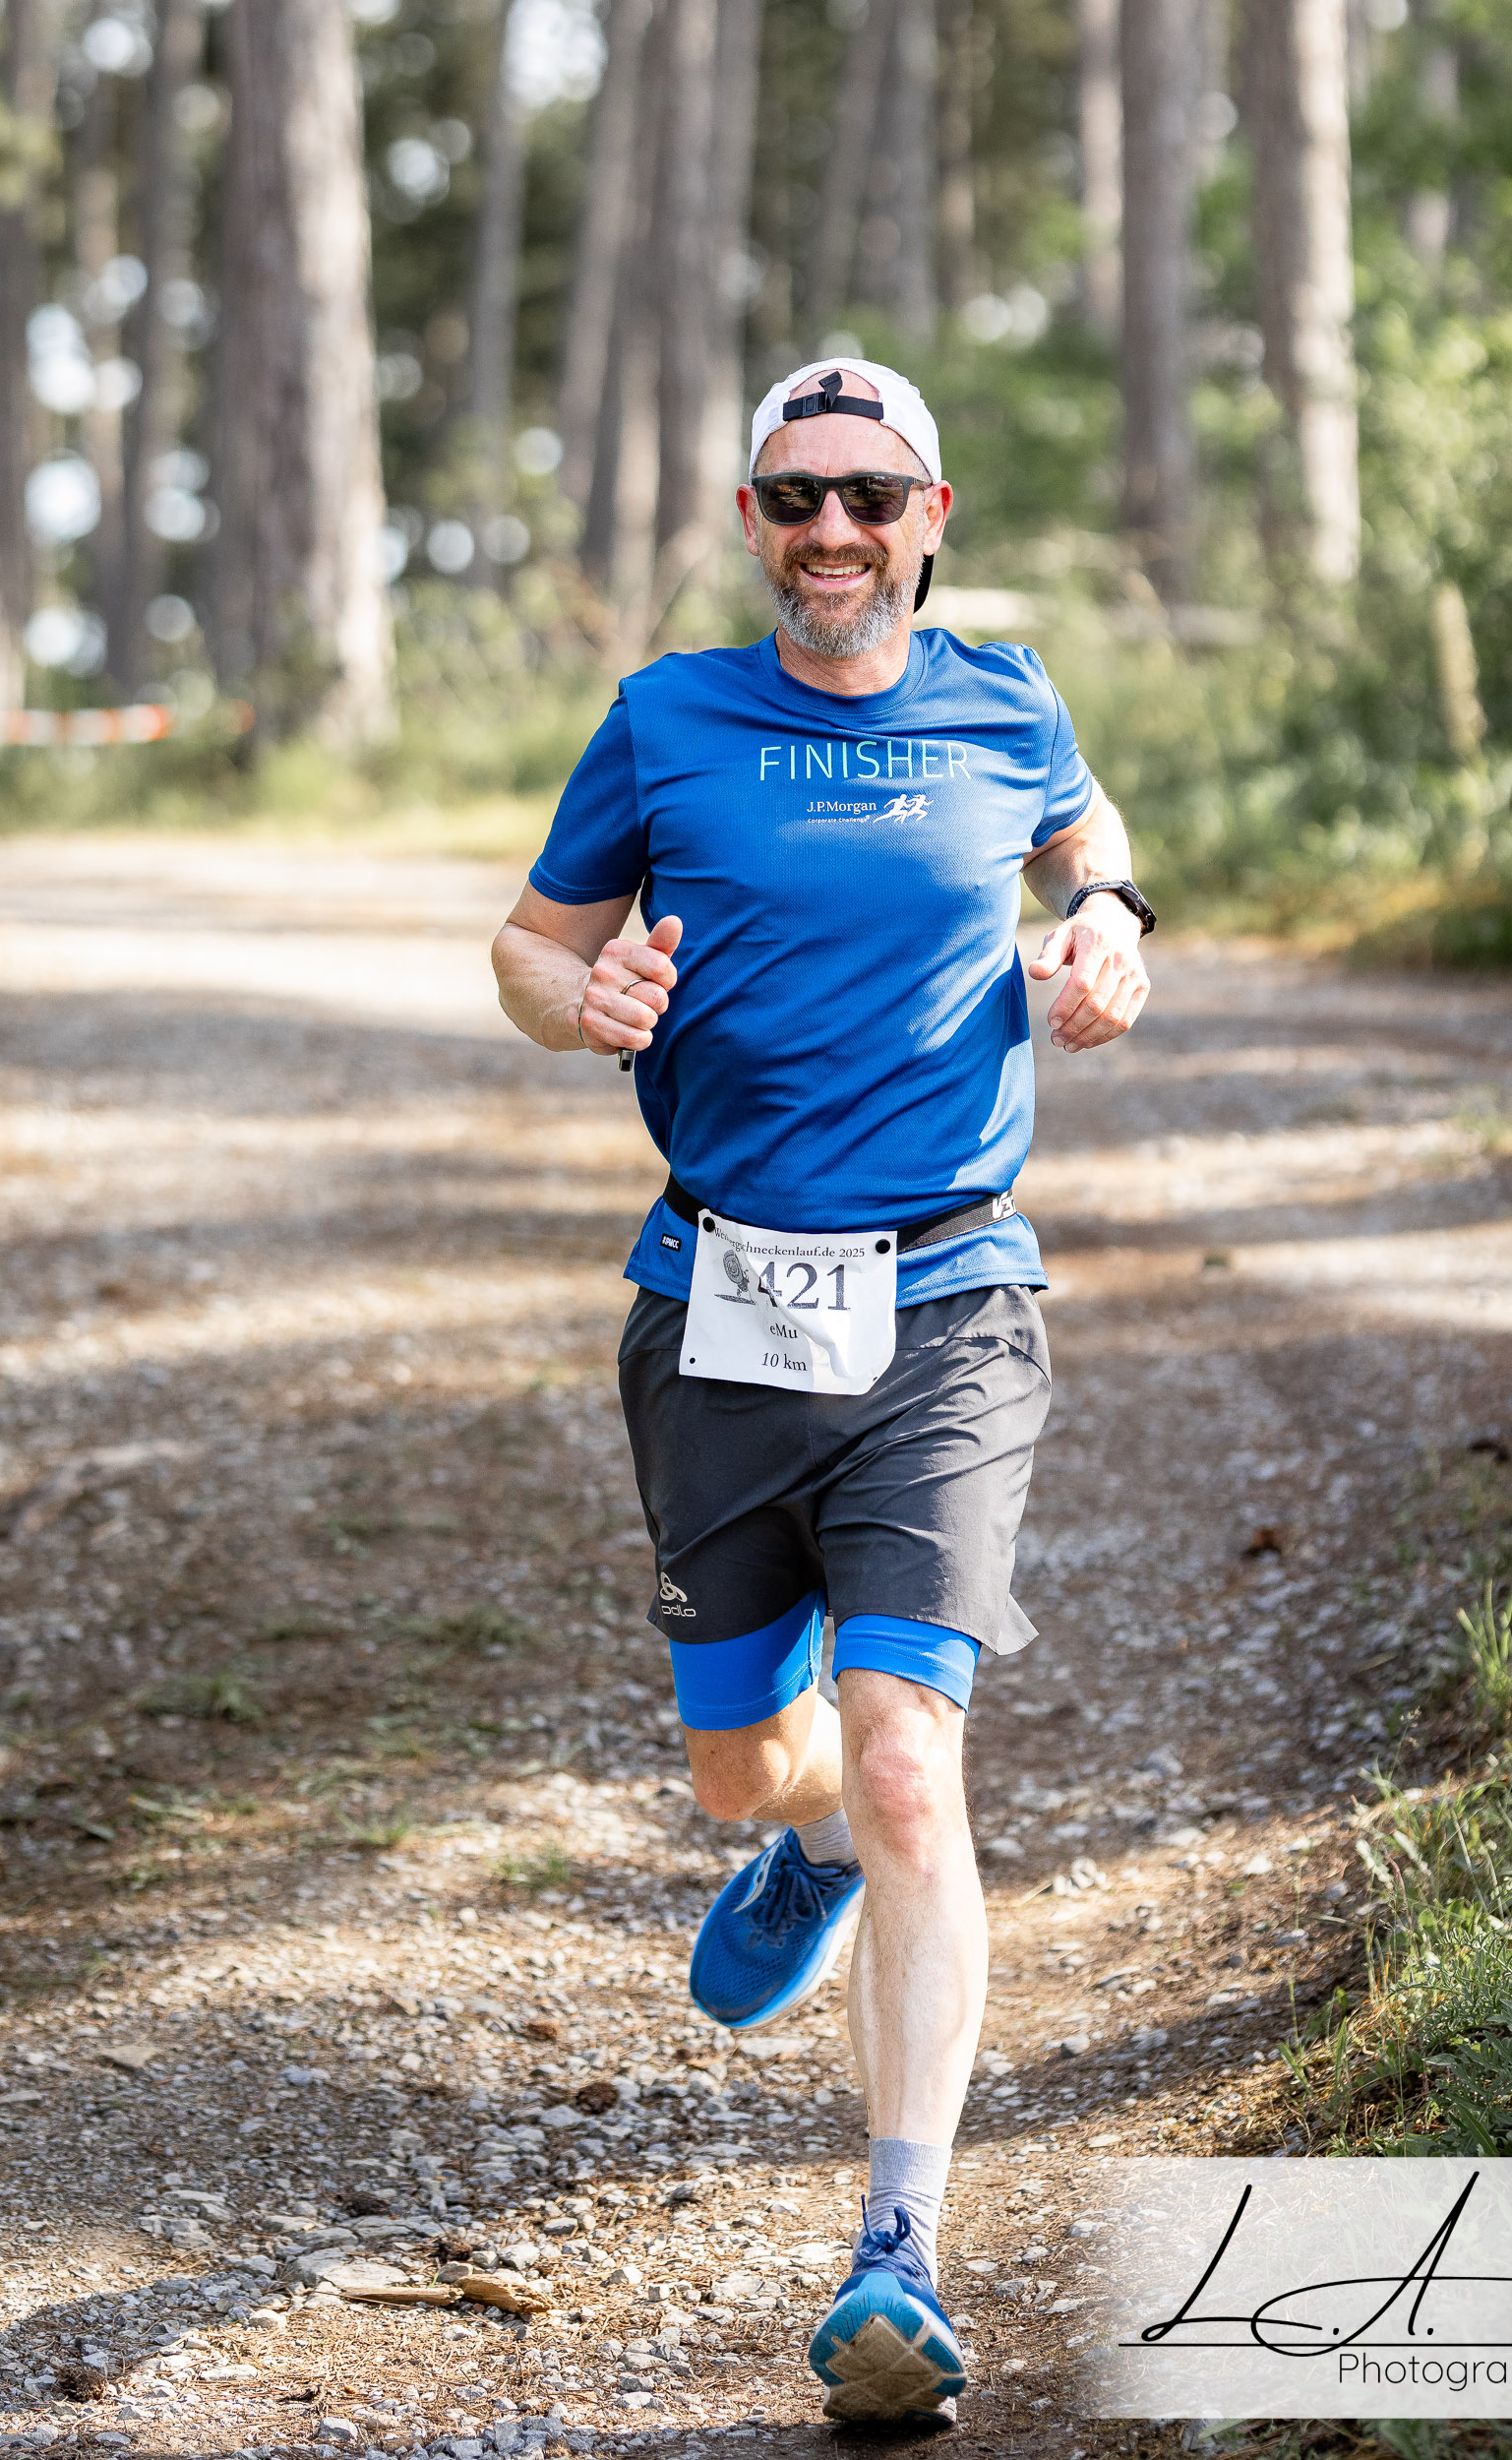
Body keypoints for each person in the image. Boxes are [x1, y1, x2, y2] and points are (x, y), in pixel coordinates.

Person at [491, 358, 1152, 2424]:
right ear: (755, 521)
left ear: (933, 513)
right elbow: (525, 947)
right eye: (797, 499)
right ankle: (805, 1850)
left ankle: (896, 2253)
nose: (835, 531)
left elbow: (1087, 834)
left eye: (872, 494)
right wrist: (579, 998)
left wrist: (1110, 921)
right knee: (744, 1775)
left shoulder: (1009, 700)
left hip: (951, 1296)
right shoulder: (665, 717)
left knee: (906, 1761)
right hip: (719, 1302)